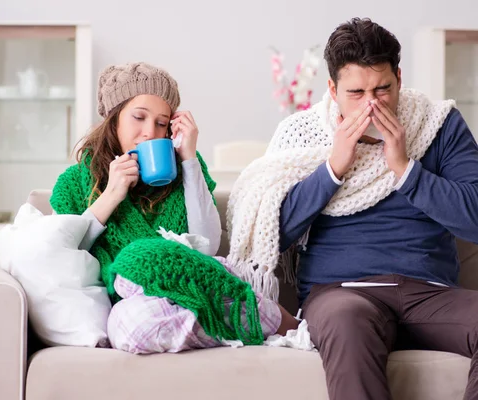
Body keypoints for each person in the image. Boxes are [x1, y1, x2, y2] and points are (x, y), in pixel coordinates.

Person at [227, 18, 478, 400]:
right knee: (347, 322)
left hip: (431, 295)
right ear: (332, 89)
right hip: (342, 294)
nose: (372, 104)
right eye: (356, 92)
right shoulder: (303, 135)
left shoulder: (437, 125)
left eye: (383, 88)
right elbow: (272, 233)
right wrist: (332, 169)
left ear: (399, 78)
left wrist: (407, 170)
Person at [50, 62, 298, 354]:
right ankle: (262, 320)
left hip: (190, 283)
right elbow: (63, 253)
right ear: (114, 119)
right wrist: (111, 195)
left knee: (159, 261)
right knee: (130, 324)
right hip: (139, 301)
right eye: (139, 118)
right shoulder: (74, 183)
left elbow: (207, 246)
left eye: (161, 123)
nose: (149, 133)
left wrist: (189, 158)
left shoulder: (185, 168)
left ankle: (251, 317)